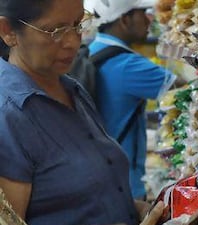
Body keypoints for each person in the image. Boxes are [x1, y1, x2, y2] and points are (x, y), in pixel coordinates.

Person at [0, 0, 165, 224]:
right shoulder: (8, 116)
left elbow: (83, 198)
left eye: (78, 24)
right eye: (55, 31)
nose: (72, 42)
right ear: (8, 32)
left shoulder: (72, 88)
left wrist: (134, 209)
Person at [87, 0, 176, 200]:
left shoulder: (92, 50)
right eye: (143, 13)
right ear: (125, 20)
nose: (149, 19)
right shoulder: (127, 64)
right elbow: (188, 88)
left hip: (100, 177)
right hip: (126, 186)